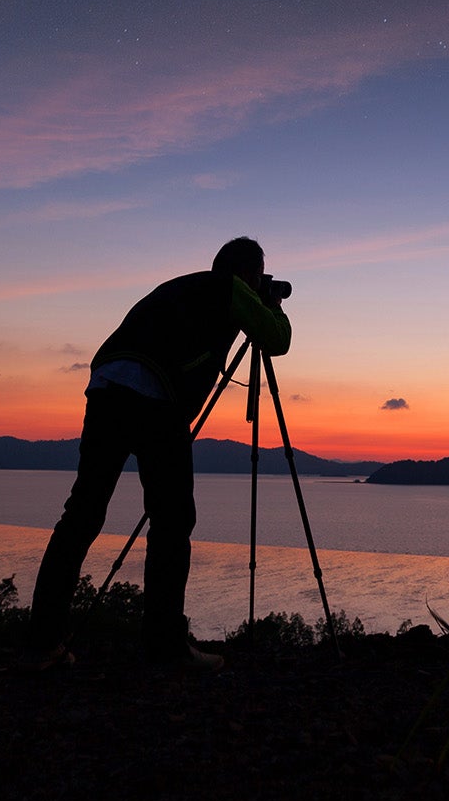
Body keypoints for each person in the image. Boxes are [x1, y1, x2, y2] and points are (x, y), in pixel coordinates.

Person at [29, 236, 291, 668]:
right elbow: (276, 340)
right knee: (172, 521)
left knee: (82, 514)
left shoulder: (180, 286)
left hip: (106, 385)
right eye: (258, 276)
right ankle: (165, 646)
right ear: (249, 274)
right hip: (156, 396)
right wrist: (273, 305)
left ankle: (41, 644)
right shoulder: (232, 288)